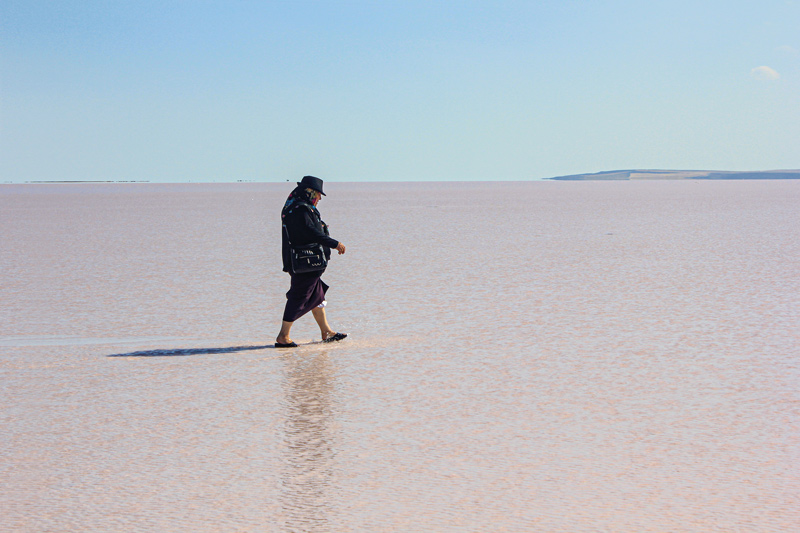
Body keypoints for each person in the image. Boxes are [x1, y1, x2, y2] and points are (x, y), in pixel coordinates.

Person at [275, 175, 347, 348]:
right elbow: (311, 233)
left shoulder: (296, 206)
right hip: (305, 263)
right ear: (310, 192)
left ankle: (326, 332)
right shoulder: (301, 209)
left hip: (303, 262)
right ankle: (283, 336)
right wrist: (335, 243)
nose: (320, 198)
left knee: (317, 295)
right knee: (299, 297)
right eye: (318, 194)